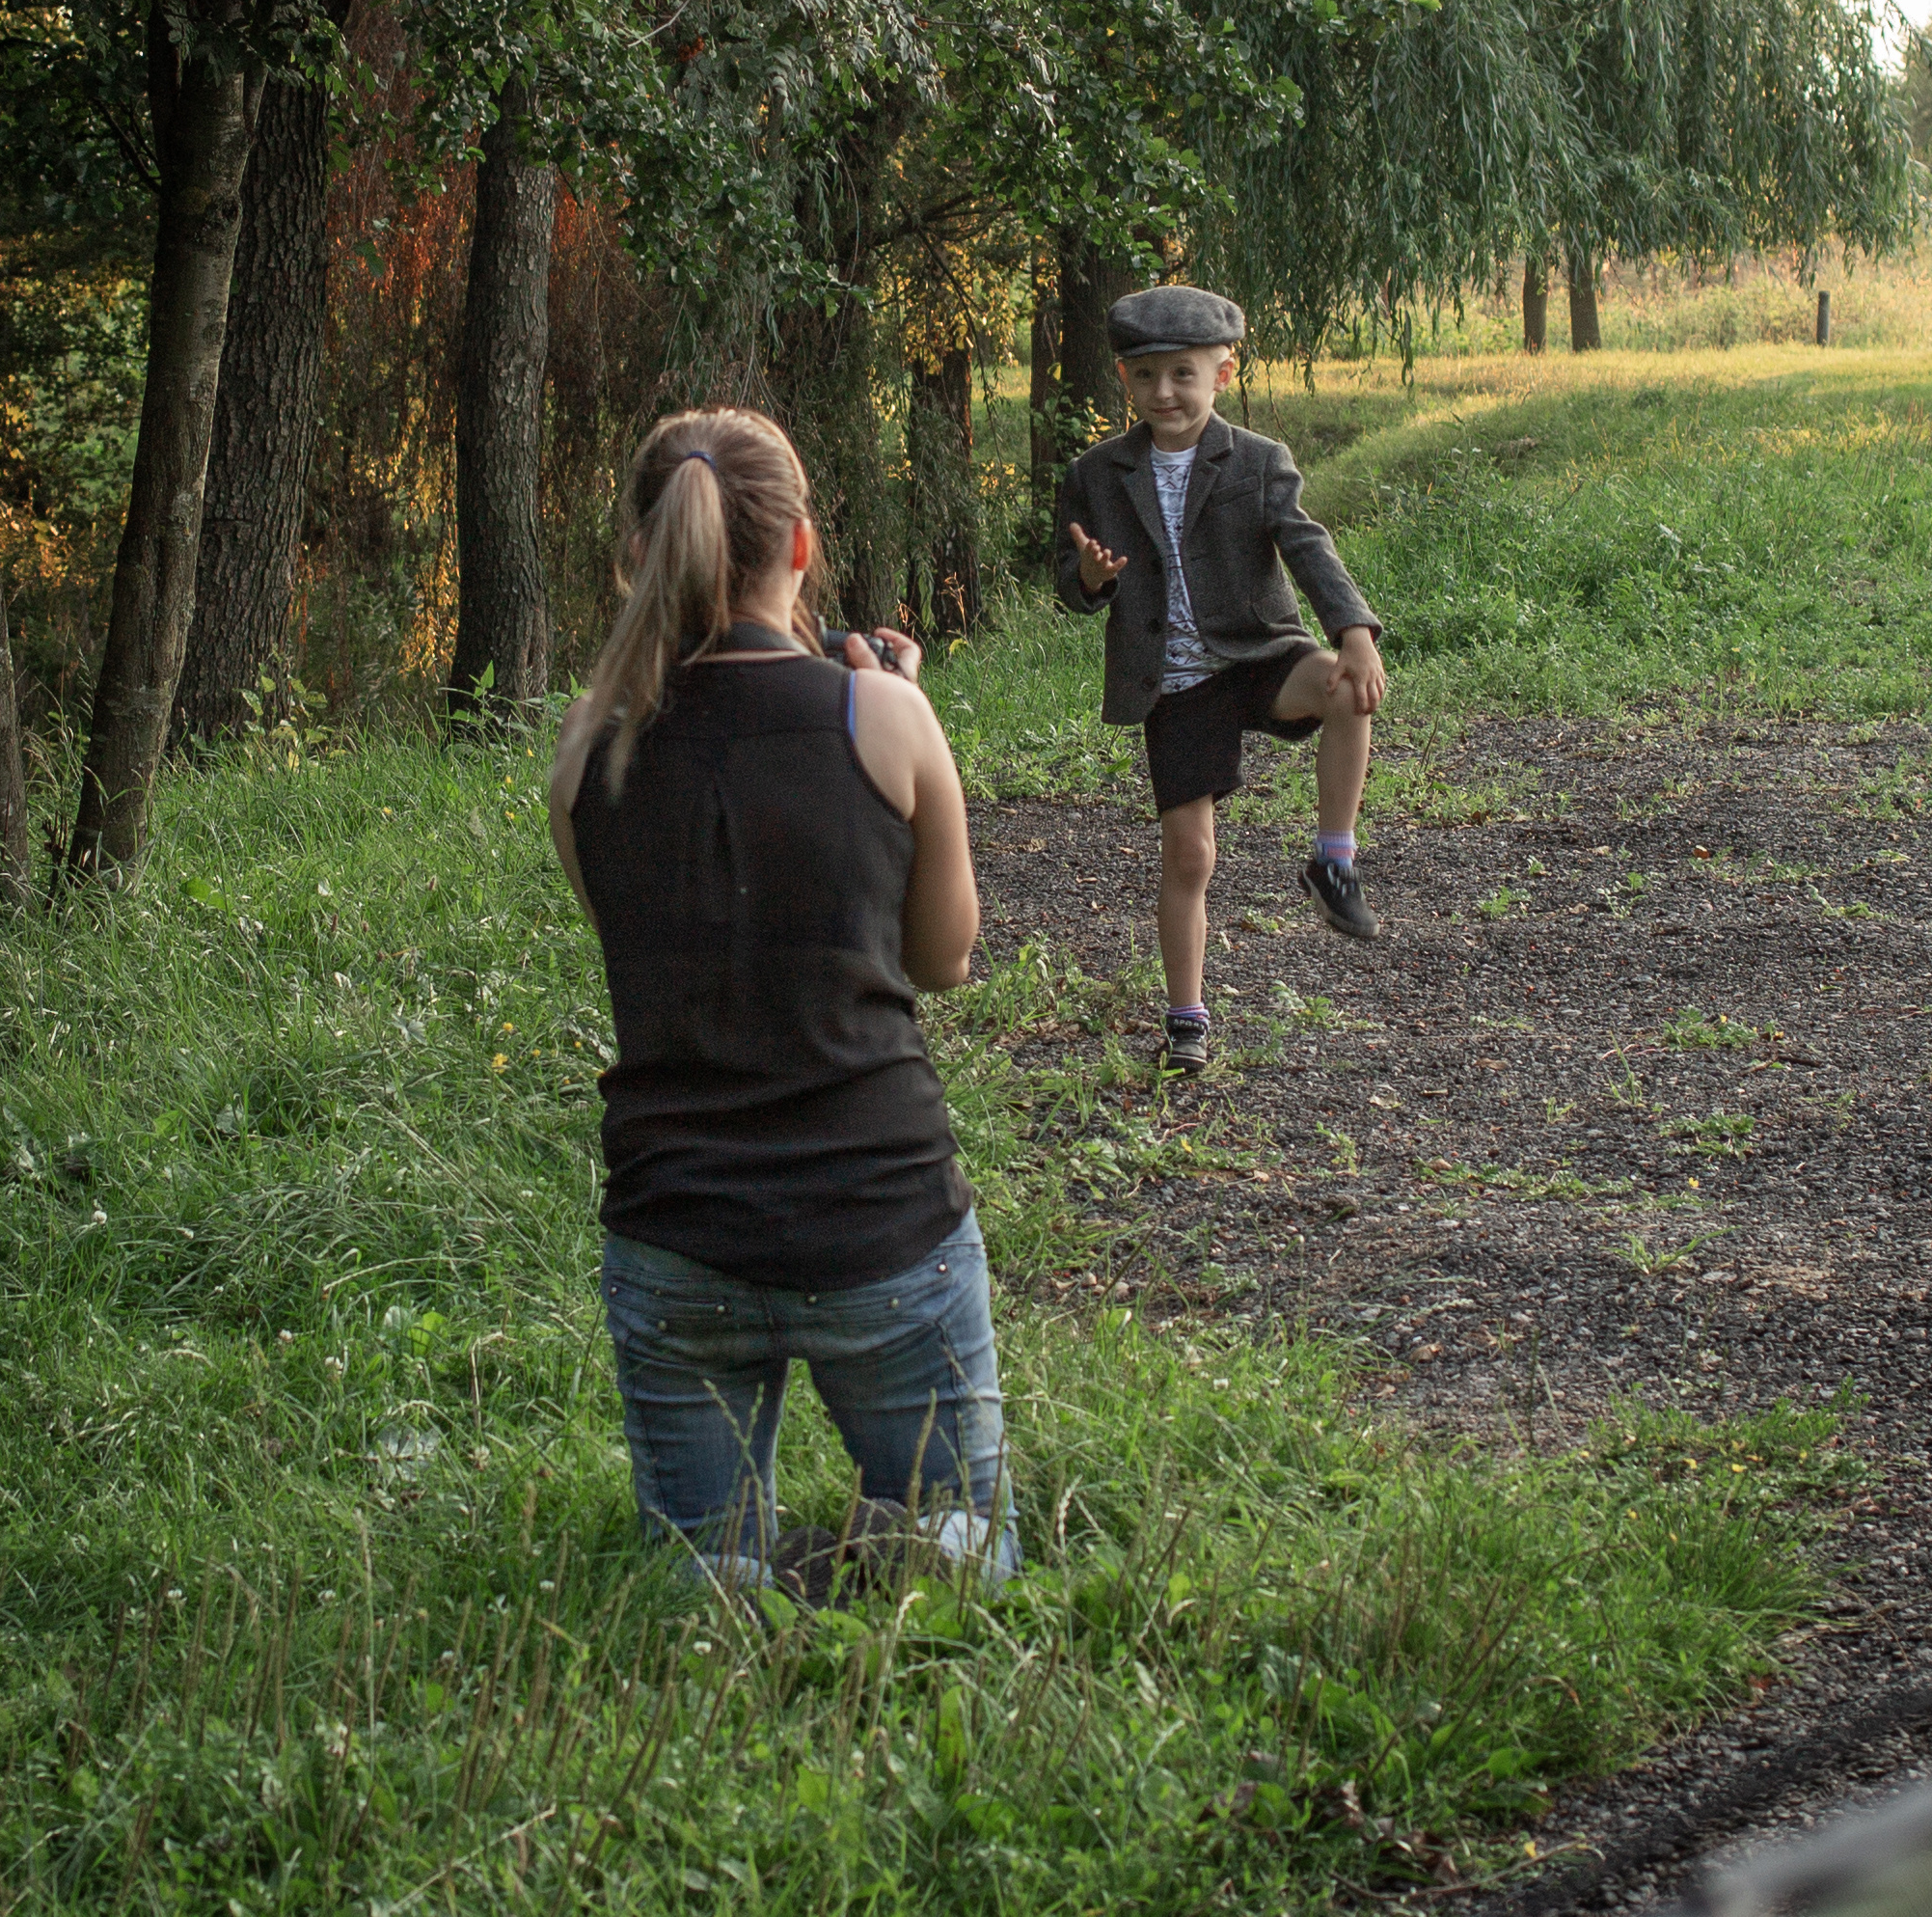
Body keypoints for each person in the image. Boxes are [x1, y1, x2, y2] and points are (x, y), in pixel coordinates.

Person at [547, 407, 1017, 1595]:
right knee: (965, 1575)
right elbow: (943, 958)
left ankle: (749, 1577)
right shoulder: (884, 715)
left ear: (638, 555)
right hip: (882, 1218)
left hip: (678, 1235)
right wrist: (898, 720)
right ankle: (887, 1560)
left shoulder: (585, 751)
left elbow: (661, 956)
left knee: (705, 1599)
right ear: (800, 549)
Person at [1054, 286, 1387, 1075]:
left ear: (1223, 373)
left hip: (1257, 654)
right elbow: (1067, 586)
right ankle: (1185, 1019)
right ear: (1125, 381)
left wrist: (1354, 632)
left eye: (1182, 374)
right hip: (1175, 684)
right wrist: (1094, 579)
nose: (1163, 393)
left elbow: (1310, 547)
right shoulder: (1096, 473)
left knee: (1346, 685)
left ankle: (1333, 859)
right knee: (1190, 857)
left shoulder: (1260, 460)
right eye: (1144, 378)